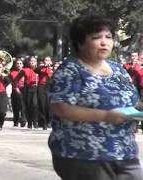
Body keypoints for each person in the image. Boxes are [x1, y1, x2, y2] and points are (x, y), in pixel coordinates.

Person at [48, 14, 143, 180]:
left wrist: (138, 109)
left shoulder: (118, 69)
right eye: (96, 37)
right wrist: (105, 116)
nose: (104, 42)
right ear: (80, 42)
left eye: (108, 37)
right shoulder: (70, 70)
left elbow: (132, 103)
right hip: (83, 155)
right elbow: (60, 107)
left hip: (124, 152)